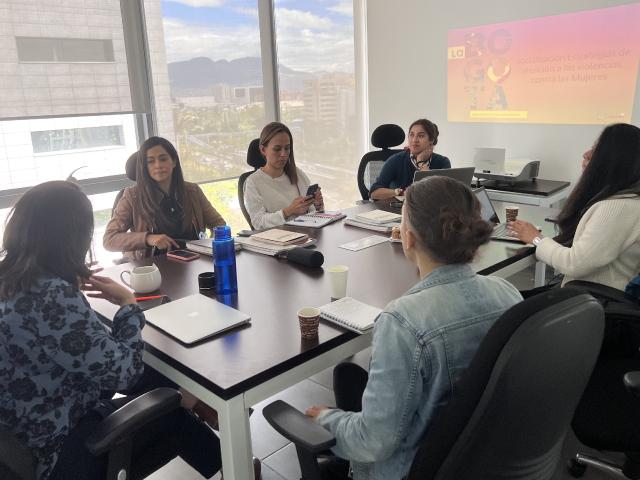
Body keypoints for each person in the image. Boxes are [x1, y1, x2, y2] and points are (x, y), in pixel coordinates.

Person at [0, 181, 222, 480]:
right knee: (172, 413)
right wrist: (128, 304)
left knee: (157, 376)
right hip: (56, 449)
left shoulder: (12, 278)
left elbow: (76, 347)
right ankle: (236, 460)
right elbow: (124, 372)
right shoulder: (51, 296)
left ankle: (202, 402)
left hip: (27, 427)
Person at [305, 177, 523, 480]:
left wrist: (326, 419)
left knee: (334, 411)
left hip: (413, 468)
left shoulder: (402, 321)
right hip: (485, 457)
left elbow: (374, 443)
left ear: (407, 238)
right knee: (349, 376)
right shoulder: (508, 293)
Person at [510, 123, 640, 291]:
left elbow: (574, 264)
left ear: (611, 160)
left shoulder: (616, 208)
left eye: (596, 149)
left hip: (595, 301)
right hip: (590, 295)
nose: (586, 154)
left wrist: (536, 239)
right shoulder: (626, 200)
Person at [103, 136, 225, 260]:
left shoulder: (192, 191)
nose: (158, 165)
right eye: (150, 161)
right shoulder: (132, 196)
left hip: (193, 261)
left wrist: (210, 249)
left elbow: (219, 225)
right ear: (144, 166)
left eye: (163, 159)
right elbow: (109, 240)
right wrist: (148, 238)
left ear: (174, 162)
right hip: (151, 268)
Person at [243, 122, 324, 230]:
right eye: (277, 149)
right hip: (278, 241)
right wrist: (288, 211)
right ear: (263, 150)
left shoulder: (297, 173)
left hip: (305, 235)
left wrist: (317, 205)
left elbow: (311, 214)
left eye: (287, 148)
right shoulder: (253, 182)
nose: (283, 154)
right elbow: (258, 223)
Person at [369, 119, 451, 200]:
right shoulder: (396, 160)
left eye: (421, 136)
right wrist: (400, 192)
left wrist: (421, 162)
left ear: (431, 140)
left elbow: (439, 194)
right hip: (400, 210)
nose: (414, 140)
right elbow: (374, 193)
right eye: (412, 135)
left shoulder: (442, 162)